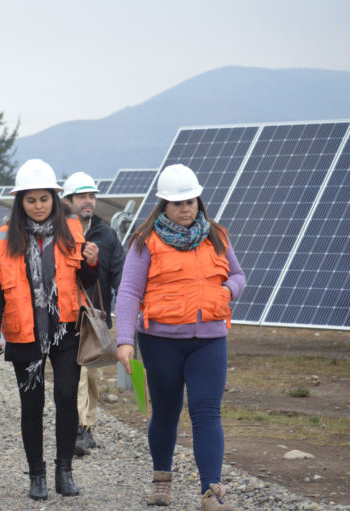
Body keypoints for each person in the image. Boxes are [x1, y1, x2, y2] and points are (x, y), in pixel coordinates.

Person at [115, 164, 245, 510]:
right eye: (177, 203)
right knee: (166, 411)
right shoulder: (145, 242)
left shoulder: (216, 235)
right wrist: (124, 340)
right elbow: (129, 292)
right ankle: (162, 481)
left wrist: (226, 293)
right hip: (160, 342)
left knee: (207, 412)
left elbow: (239, 275)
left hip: (210, 339)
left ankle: (211, 493)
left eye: (191, 201)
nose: (186, 208)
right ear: (163, 206)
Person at [0, 159, 98, 501]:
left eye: (44, 199)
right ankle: (37, 476)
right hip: (23, 332)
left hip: (66, 330)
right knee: (31, 406)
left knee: (65, 398)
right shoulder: (2, 241)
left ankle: (64, 472)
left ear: (54, 199)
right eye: (30, 200)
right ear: (20, 203)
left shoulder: (73, 233)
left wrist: (92, 261)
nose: (37, 206)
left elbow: (86, 282)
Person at [61, 172, 124, 455]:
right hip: (66, 315)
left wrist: (127, 305)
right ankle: (76, 428)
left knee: (92, 375)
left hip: (96, 316)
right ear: (68, 200)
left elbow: (120, 273)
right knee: (75, 374)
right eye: (82, 196)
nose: (88, 201)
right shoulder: (60, 232)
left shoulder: (107, 234)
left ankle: (86, 427)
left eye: (91, 196)